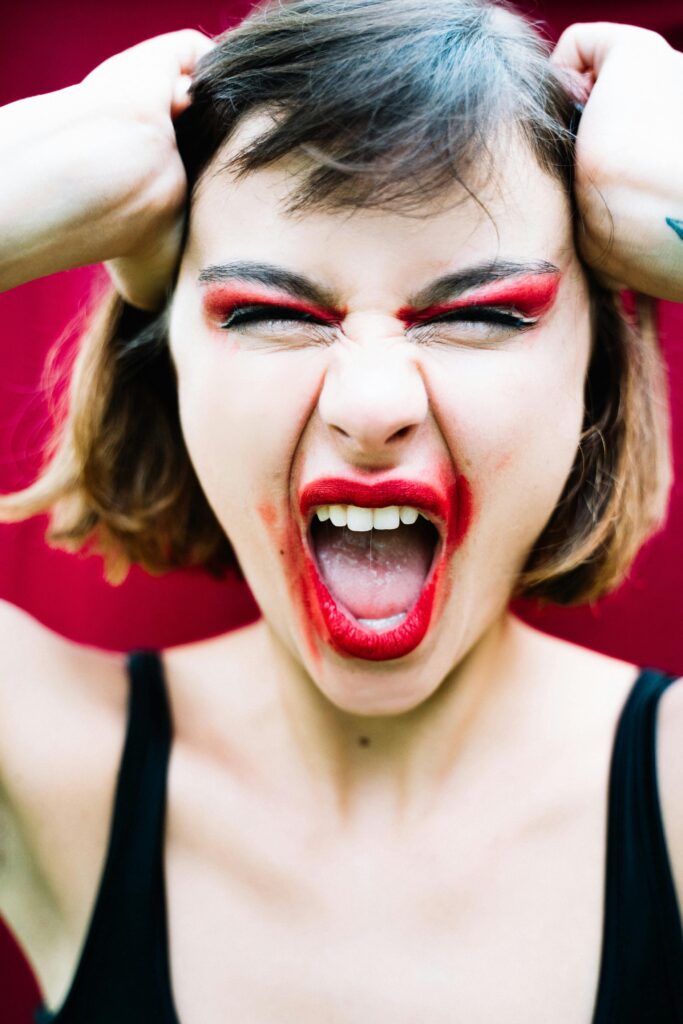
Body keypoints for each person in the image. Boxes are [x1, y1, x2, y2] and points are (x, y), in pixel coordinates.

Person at [0, 1, 681, 1021]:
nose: (371, 408)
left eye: (485, 312)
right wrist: (53, 173)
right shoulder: (48, 758)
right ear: (166, 357)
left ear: (594, 364)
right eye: (271, 312)